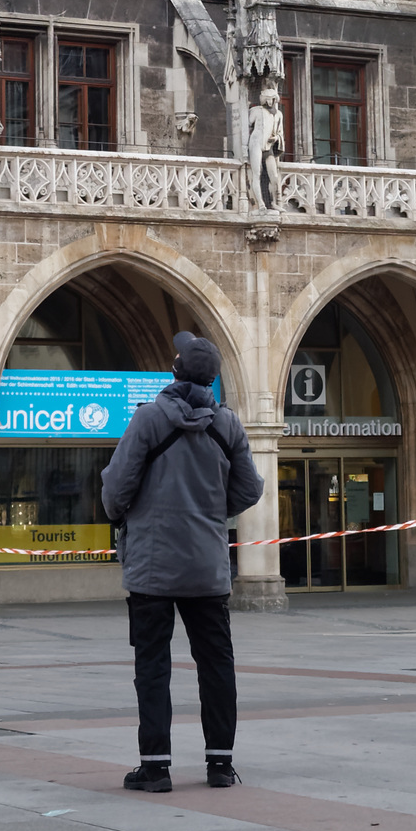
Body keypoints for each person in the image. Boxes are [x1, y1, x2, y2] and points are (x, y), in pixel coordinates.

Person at [100, 331, 264, 792]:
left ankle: (155, 768)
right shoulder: (227, 424)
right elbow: (250, 489)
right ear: (212, 378)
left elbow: (116, 490)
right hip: (208, 569)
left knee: (152, 666)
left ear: (174, 371)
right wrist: (209, 513)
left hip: (152, 567)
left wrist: (133, 515)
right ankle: (220, 765)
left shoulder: (149, 419)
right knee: (216, 664)